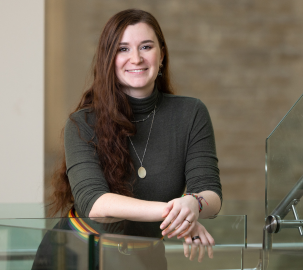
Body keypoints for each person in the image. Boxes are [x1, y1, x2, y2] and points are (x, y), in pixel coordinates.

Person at [46, 8, 222, 266]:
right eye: (123, 49)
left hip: (145, 259)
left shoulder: (191, 113)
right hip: (79, 256)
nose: (136, 58)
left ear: (161, 54)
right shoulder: (82, 123)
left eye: (146, 47)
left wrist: (194, 204)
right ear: (109, 58)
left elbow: (212, 195)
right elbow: (94, 203)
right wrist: (180, 213)